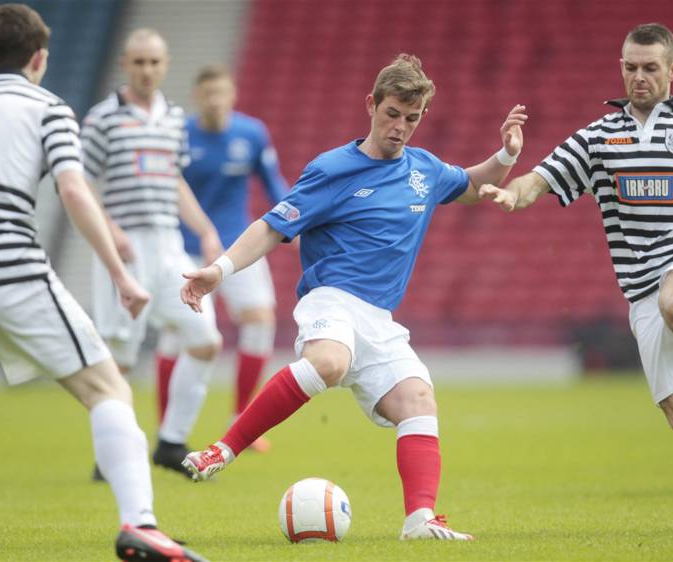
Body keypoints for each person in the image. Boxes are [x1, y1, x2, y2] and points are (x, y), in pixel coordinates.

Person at [179, 53, 527, 540]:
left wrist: (506, 156)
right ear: (371, 105)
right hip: (331, 299)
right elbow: (271, 226)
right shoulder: (332, 169)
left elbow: (470, 185)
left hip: (379, 319)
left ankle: (420, 520)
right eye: (392, 114)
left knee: (419, 400)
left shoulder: (423, 169)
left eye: (411, 118)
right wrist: (219, 270)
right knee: (329, 362)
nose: (400, 127)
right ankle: (224, 449)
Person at [485, 23, 673, 527]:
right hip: (641, 289)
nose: (639, 77)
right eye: (631, 67)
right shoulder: (600, 137)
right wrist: (512, 194)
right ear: (621, 68)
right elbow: (540, 180)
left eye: (650, 68)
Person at [0, 5, 208, 560]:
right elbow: (75, 189)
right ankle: (141, 525)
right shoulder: (49, 107)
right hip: (5, 266)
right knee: (108, 389)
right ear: (39, 59)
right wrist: (121, 274)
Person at [80, 29, 223, 476]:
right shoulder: (103, 118)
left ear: (165, 65)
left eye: (154, 62)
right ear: (125, 64)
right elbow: (80, 181)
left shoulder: (174, 118)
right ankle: (110, 455)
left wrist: (205, 228)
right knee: (120, 357)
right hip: (126, 249)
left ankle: (171, 442)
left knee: (205, 340)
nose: (147, 70)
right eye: (139, 62)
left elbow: (174, 180)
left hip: (168, 245)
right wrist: (110, 229)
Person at [155, 65, 289, 452]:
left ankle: (242, 420)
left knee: (260, 319)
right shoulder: (180, 134)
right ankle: (167, 432)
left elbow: (273, 183)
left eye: (221, 93)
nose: (215, 100)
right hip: (186, 248)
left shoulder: (252, 134)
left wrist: (295, 221)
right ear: (197, 97)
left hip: (237, 246)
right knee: (176, 334)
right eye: (208, 93)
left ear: (233, 95)